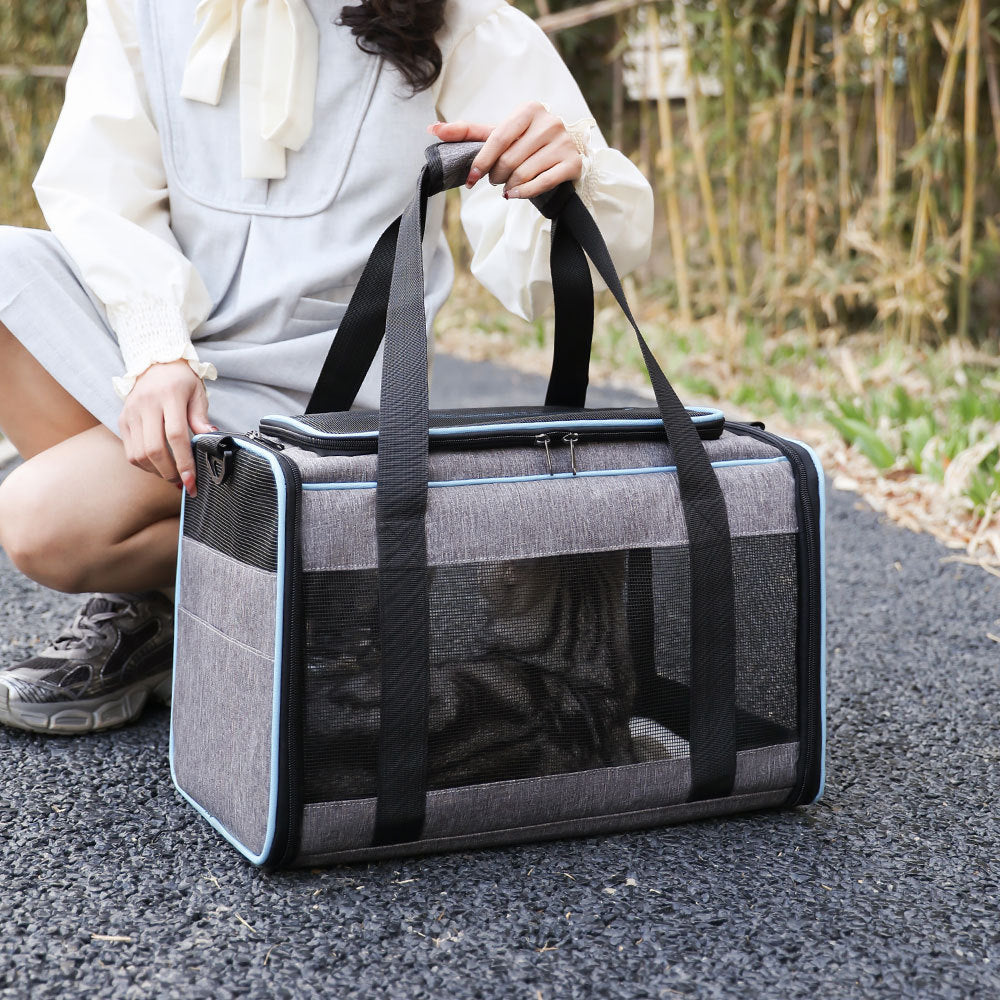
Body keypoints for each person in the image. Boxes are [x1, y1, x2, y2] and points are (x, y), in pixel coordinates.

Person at [0, 0, 653, 734]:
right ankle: (163, 606)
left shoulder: (456, 17)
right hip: (174, 362)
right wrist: (156, 346)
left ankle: (322, 583)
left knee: (42, 520)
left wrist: (562, 167)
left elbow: (536, 270)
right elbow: (102, 190)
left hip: (321, 399)